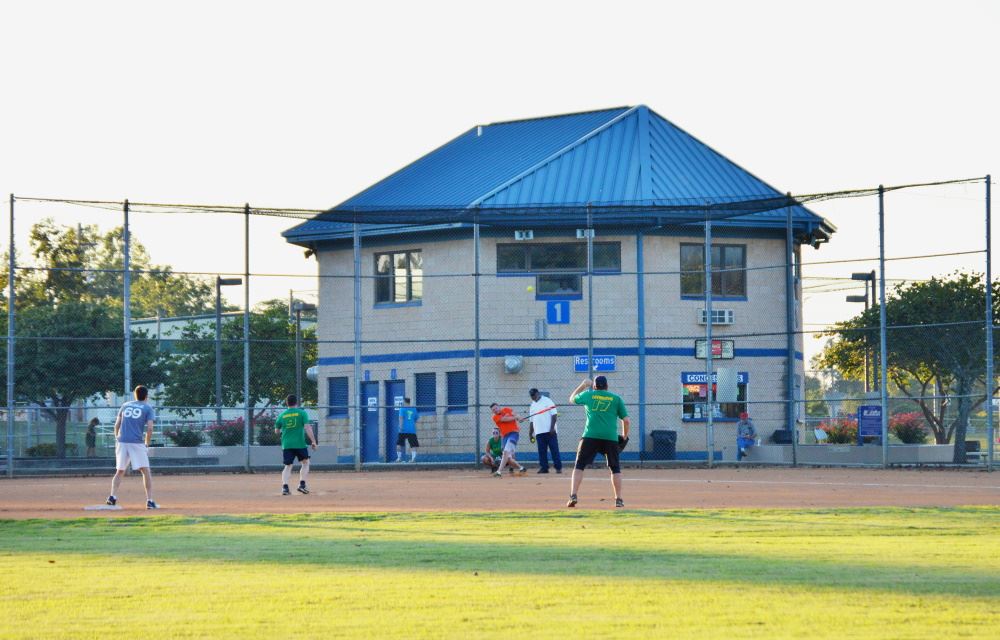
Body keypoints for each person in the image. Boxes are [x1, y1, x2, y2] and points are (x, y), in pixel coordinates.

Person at [566, 375, 629, 508]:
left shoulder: (589, 395)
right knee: (615, 468)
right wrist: (624, 435)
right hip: (610, 437)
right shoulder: (616, 398)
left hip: (590, 436)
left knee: (579, 465)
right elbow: (626, 420)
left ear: (594, 386)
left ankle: (573, 495)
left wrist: (583, 385)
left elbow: (571, 399)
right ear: (607, 386)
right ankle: (618, 499)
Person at [105, 385, 158, 509]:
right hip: (136, 442)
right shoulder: (148, 407)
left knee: (120, 471)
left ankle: (112, 497)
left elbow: (117, 425)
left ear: (135, 395)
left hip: (122, 441)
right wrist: (146, 443)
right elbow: (150, 428)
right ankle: (149, 501)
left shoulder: (125, 405)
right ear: (146, 396)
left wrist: (117, 438)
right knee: (145, 471)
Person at [274, 394, 317, 495]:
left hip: (287, 444)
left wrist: (284, 431)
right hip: (300, 444)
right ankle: (302, 485)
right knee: (305, 463)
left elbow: (276, 431)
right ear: (296, 402)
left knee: (288, 466)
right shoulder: (302, 413)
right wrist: (313, 441)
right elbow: (307, 428)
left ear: (286, 403)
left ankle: (285, 488)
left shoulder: (282, 415)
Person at [528, 388, 561, 474]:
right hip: (539, 432)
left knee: (554, 450)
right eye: (531, 396)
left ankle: (558, 467)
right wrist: (530, 433)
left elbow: (554, 414)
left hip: (550, 431)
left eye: (534, 395)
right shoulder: (532, 405)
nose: (533, 397)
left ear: (538, 393)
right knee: (542, 451)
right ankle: (544, 468)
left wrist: (552, 427)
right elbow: (531, 420)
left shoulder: (547, 401)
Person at [491, 402, 526, 477]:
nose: (495, 410)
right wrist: (516, 418)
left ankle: (499, 472)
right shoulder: (495, 417)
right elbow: (504, 419)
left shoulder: (507, 409)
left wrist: (519, 418)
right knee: (508, 458)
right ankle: (521, 468)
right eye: (493, 410)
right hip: (505, 436)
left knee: (506, 452)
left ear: (499, 407)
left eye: (496, 408)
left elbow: (515, 414)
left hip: (513, 434)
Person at [395, 397, 419, 463]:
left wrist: (400, 427)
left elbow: (401, 418)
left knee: (399, 444)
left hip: (403, 429)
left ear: (405, 402)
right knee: (413, 444)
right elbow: (416, 419)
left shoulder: (402, 409)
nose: (402, 403)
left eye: (403, 402)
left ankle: (399, 458)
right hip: (411, 429)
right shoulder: (414, 409)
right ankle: (413, 459)